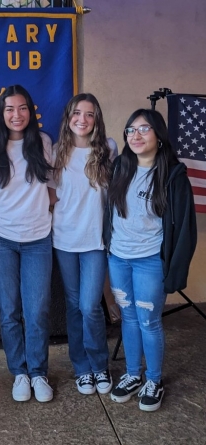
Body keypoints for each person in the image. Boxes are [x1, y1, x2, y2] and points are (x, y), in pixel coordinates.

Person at [105, 109, 197, 412]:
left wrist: (175, 272)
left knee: (148, 321)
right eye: (131, 130)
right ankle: (133, 374)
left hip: (150, 262)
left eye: (144, 129)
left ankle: (154, 380)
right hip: (119, 258)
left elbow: (185, 228)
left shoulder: (172, 174)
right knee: (128, 318)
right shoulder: (120, 166)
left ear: (159, 135)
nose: (136, 136)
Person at [0, 85, 54, 403]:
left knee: (36, 312)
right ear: (1, 113)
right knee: (9, 311)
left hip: (38, 239)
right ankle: (19, 372)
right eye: (9, 109)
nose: (16, 114)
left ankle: (38, 373)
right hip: (0, 239)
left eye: (22, 108)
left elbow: (52, 191)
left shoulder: (44, 143)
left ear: (30, 112)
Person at [48, 93, 117, 396]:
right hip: (64, 239)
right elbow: (50, 197)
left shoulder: (108, 149)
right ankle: (82, 368)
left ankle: (100, 365)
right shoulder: (55, 153)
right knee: (75, 306)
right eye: (77, 113)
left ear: (96, 120)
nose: (83, 119)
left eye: (90, 114)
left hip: (94, 241)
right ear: (69, 117)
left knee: (90, 306)